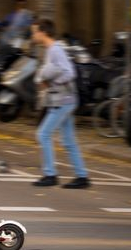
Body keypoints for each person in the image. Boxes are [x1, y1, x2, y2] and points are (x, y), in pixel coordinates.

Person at [31, 18, 90, 189]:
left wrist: (51, 82)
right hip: (65, 100)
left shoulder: (56, 50)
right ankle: (82, 177)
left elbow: (69, 73)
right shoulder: (52, 49)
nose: (33, 35)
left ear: (43, 32)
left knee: (43, 134)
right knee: (69, 140)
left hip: (63, 101)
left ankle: (50, 175)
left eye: (35, 31)